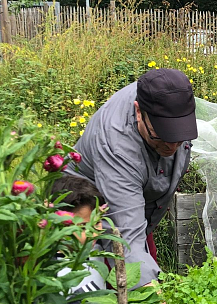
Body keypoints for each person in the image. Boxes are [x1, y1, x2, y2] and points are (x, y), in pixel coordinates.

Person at [65, 68, 198, 287]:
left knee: (146, 271)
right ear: (138, 112)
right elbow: (126, 238)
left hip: (136, 210)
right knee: (99, 289)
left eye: (178, 137)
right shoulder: (118, 144)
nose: (172, 146)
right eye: (162, 136)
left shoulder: (174, 102)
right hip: (88, 213)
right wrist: (153, 303)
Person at [51, 174, 107, 295]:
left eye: (97, 222)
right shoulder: (51, 270)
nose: (92, 233)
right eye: (82, 227)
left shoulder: (98, 249)